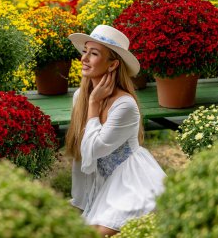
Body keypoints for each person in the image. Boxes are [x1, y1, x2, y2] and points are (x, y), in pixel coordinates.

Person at [65, 25, 166, 237]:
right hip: (104, 183)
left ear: (113, 65)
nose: (84, 59)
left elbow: (94, 149)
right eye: (85, 52)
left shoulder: (124, 105)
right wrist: (81, 202)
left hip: (132, 182)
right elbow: (80, 156)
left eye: (94, 54)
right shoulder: (79, 98)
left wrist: (94, 103)